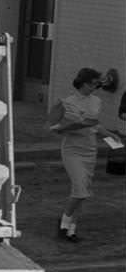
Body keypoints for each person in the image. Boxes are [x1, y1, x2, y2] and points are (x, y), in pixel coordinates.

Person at [48, 67, 105, 242]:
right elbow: (53, 126)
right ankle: (63, 223)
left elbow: (94, 125)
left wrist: (109, 134)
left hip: (90, 149)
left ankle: (71, 230)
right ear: (83, 83)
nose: (94, 87)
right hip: (72, 150)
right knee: (80, 190)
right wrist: (64, 127)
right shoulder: (67, 102)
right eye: (91, 84)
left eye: (96, 84)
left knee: (83, 192)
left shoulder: (96, 101)